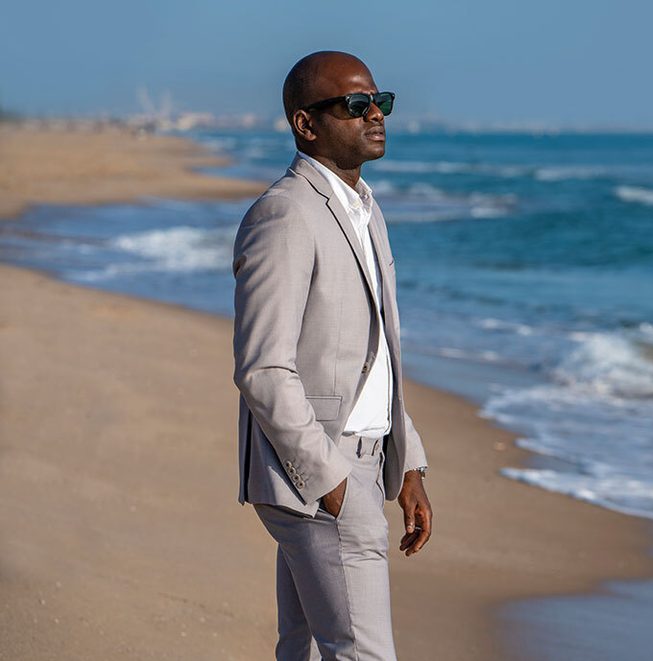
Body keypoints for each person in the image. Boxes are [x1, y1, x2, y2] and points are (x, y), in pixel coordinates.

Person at [232, 50, 433, 661]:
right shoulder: (286, 215)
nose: (375, 113)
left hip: (369, 463)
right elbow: (263, 368)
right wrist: (332, 480)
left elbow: (376, 355)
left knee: (306, 650)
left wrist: (409, 464)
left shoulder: (366, 210)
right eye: (354, 104)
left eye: (380, 101)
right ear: (306, 123)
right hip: (319, 472)